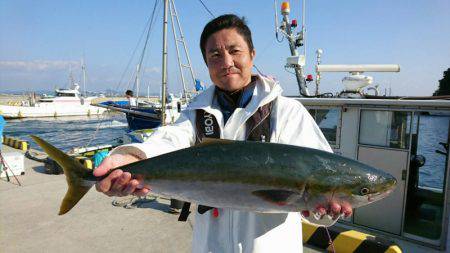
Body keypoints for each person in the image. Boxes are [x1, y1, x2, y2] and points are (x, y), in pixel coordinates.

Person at [95, 14, 352, 253]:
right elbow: (168, 141)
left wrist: (326, 211)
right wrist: (130, 157)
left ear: (252, 54)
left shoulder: (287, 112)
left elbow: (323, 182)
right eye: (215, 55)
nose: (226, 62)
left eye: (234, 51)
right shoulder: (196, 112)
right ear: (207, 63)